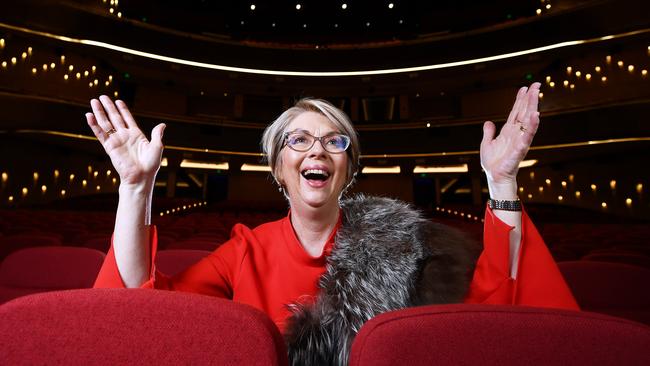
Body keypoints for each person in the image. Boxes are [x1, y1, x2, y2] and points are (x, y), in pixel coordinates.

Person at [88, 82, 578, 365]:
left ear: (349, 167)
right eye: (297, 141)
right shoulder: (244, 251)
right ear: (278, 168)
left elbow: (498, 295)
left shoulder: (405, 242)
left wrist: (503, 179)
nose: (317, 150)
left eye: (334, 142)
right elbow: (141, 302)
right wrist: (135, 187)